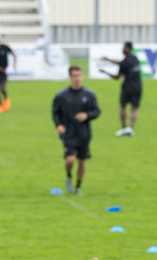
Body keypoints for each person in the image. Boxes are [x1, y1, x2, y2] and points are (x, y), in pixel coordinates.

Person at [52, 66, 100, 196]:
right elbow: (55, 113)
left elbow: (96, 111)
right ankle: (68, 176)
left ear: (82, 76)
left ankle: (78, 187)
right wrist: (59, 125)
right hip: (68, 133)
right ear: (70, 77)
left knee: (81, 161)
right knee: (70, 159)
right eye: (74, 76)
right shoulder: (62, 95)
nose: (77, 78)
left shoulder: (89, 94)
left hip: (84, 134)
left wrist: (87, 115)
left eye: (79, 75)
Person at [101, 41, 141, 137]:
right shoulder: (135, 58)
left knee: (123, 106)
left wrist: (105, 72)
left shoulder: (124, 62)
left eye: (124, 47)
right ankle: (130, 128)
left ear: (128, 48)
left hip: (128, 86)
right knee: (134, 108)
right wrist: (109, 60)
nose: (122, 49)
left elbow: (117, 77)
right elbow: (121, 63)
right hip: (138, 85)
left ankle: (123, 128)